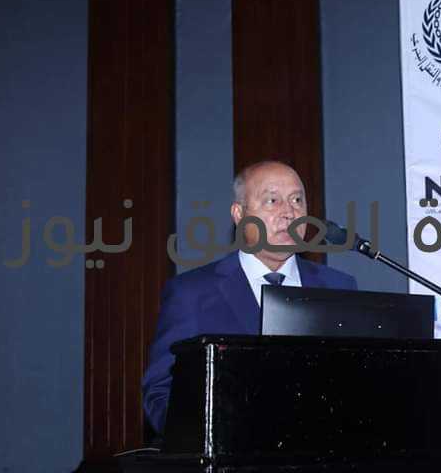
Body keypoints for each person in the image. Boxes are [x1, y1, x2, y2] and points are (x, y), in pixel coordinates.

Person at [142, 160, 357, 433]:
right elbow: (161, 391)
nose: (289, 213)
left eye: (297, 200)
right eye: (272, 201)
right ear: (239, 214)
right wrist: (200, 437)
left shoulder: (338, 288)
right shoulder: (192, 294)